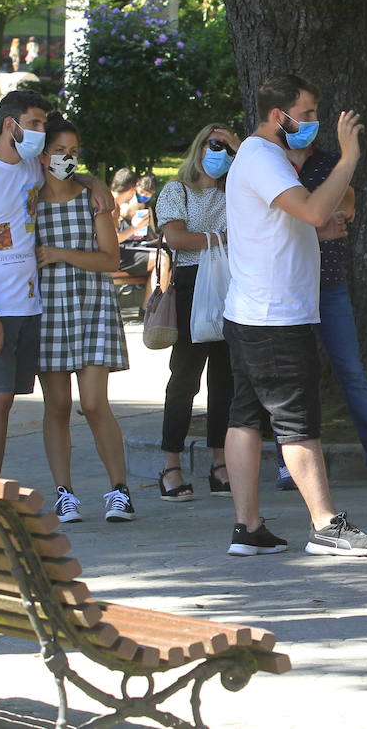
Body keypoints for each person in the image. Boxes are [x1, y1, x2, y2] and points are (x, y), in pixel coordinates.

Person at [221, 73, 367, 558]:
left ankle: (247, 528)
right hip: (274, 316)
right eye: (308, 113)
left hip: (254, 310)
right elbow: (312, 211)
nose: (314, 122)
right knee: (297, 422)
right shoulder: (263, 157)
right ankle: (326, 527)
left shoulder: (261, 157)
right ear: (279, 116)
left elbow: (295, 221)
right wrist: (349, 158)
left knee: (246, 418)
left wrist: (320, 226)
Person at [0, 91, 111, 477]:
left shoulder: (28, 166)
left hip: (29, 306)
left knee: (15, 399)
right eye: (36, 123)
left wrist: (95, 184)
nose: (41, 131)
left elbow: (63, 170)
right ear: (12, 124)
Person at [33, 117, 134, 524]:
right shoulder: (28, 199)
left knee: (94, 403)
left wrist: (59, 253)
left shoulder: (93, 199)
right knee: (56, 405)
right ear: (42, 155)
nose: (68, 158)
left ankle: (119, 490)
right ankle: (65, 493)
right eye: (59, 151)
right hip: (47, 310)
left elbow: (110, 259)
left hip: (92, 305)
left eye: (74, 151)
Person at [285, 133, 367, 474]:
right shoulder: (269, 163)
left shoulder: (327, 162)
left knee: (351, 371)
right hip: (287, 285)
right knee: (292, 375)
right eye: (303, 114)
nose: (308, 123)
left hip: (329, 282)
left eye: (313, 115)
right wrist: (318, 216)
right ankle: (291, 463)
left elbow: (347, 198)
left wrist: (336, 207)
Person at [154, 123, 239, 502]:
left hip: (231, 285)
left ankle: (220, 462)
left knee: (226, 380)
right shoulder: (177, 191)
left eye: (229, 146)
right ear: (200, 145)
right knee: (185, 378)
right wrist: (222, 238)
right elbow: (176, 238)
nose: (221, 151)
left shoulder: (237, 192)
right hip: (191, 286)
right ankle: (171, 464)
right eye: (216, 143)